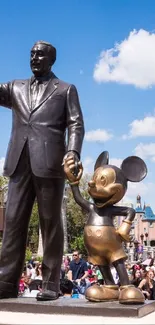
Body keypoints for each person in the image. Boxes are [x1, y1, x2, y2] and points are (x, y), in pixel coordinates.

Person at [0, 40, 84, 301]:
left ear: (51, 60)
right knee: (13, 222)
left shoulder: (66, 89)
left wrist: (72, 152)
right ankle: (5, 282)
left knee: (50, 224)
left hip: (50, 164)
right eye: (32, 54)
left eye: (40, 54)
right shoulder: (15, 87)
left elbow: (76, 124)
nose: (34, 58)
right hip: (19, 163)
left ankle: (50, 283)